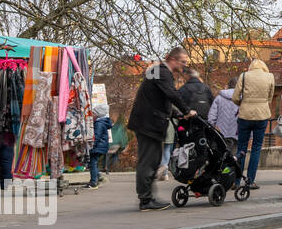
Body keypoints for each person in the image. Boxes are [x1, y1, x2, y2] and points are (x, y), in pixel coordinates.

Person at [127, 47, 194, 210]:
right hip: (149, 123)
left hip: (146, 121)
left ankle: (147, 197)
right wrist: (186, 110)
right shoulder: (163, 72)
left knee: (153, 159)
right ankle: (145, 200)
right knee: (149, 161)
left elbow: (157, 99)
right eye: (183, 62)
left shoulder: (156, 71)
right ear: (173, 59)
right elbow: (171, 94)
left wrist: (177, 114)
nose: (184, 66)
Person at [233, 58, 276, 190]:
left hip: (245, 115)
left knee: (241, 147)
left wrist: (243, 104)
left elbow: (235, 97)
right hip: (262, 115)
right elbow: (270, 97)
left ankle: (236, 181)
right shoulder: (270, 76)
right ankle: (250, 181)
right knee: (257, 148)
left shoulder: (244, 76)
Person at [207, 86, 239, 155]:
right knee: (234, 158)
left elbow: (211, 117)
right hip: (237, 133)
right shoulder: (242, 99)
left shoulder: (219, 98)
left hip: (221, 133)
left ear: (227, 86)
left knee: (222, 156)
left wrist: (213, 127)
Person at [87, 102, 111, 188]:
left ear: (98, 115)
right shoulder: (101, 122)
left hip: (97, 147)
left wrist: (92, 145)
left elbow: (97, 136)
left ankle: (94, 182)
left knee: (93, 163)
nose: (92, 115)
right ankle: (98, 178)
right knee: (93, 163)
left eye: (93, 113)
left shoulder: (99, 124)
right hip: (100, 146)